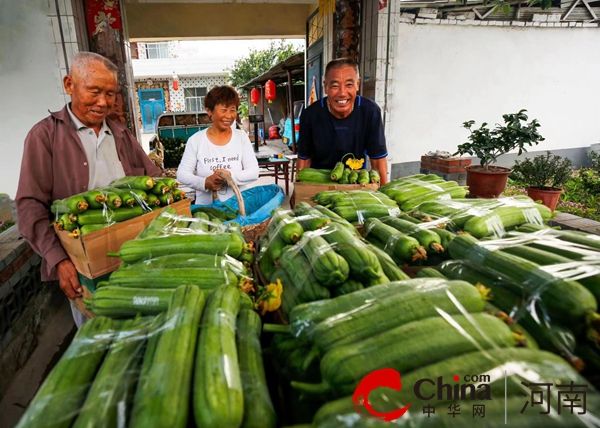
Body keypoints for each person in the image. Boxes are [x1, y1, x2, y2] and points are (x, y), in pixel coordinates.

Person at [15, 52, 162, 327]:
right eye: (94, 91)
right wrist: (59, 261)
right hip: (85, 267)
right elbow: (29, 207)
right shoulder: (44, 137)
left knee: (142, 328)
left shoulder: (120, 134)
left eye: (110, 93)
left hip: (139, 256)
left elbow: (154, 179)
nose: (104, 102)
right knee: (100, 336)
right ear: (69, 85)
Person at [296, 58, 389, 184]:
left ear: (358, 84)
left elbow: (378, 159)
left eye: (349, 85)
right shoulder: (310, 115)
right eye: (334, 86)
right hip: (319, 183)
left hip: (355, 182)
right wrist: (298, 192)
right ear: (325, 87)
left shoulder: (370, 111)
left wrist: (384, 195)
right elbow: (304, 159)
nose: (342, 93)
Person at [177, 86, 259, 204]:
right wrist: (205, 182)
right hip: (205, 211)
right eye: (223, 110)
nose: (229, 116)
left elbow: (254, 172)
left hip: (237, 208)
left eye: (232, 110)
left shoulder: (241, 137)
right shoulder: (196, 140)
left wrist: (230, 176)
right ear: (209, 111)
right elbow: (182, 174)